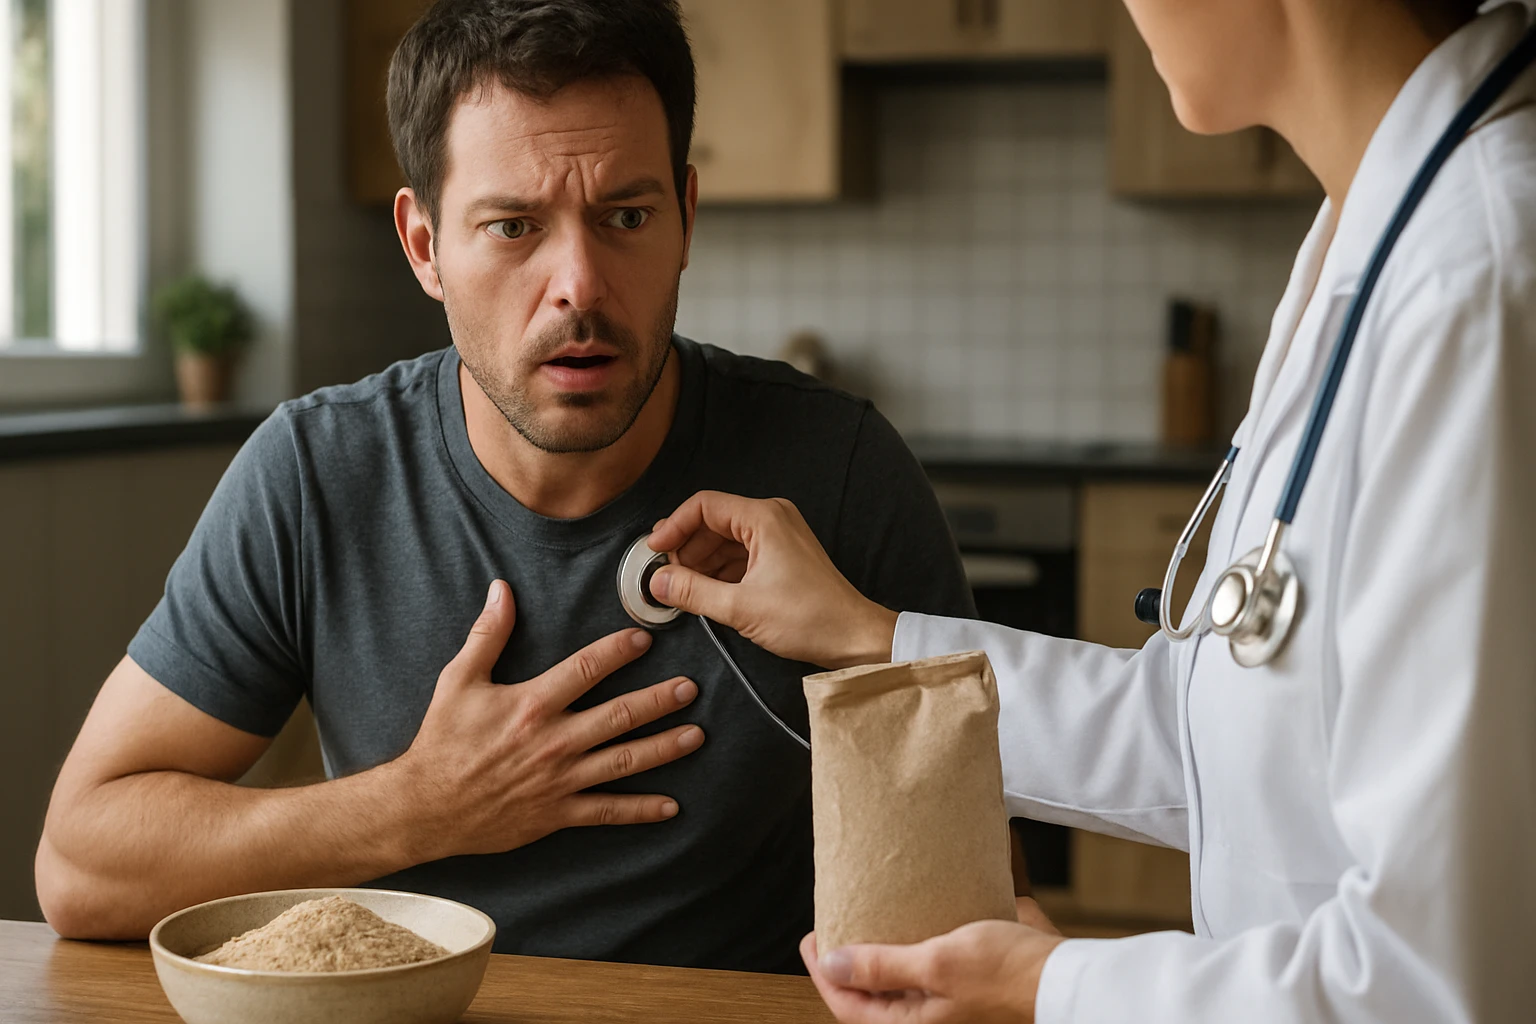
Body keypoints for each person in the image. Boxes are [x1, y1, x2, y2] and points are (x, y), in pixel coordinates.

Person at [32, 0, 974, 975]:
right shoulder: (315, 474)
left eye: (627, 216)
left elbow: (966, 881)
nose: (579, 284)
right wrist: (415, 805)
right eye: (514, 226)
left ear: (688, 217)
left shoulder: (841, 467)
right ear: (425, 245)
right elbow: (81, 866)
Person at [643, 0, 1536, 1018]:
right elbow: (1205, 734)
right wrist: (864, 635)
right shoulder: (1369, 238)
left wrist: (1050, 989)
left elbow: (1437, 981)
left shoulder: (1482, 276)